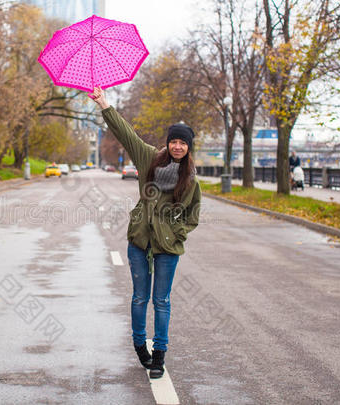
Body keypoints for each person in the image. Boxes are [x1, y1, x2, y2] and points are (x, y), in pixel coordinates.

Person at [90, 86, 201, 379]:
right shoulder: (149, 158)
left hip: (167, 248)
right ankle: (140, 345)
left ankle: (159, 355)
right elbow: (126, 133)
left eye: (183, 143)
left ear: (189, 147)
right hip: (139, 241)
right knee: (140, 297)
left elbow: (193, 216)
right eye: (174, 141)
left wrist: (177, 233)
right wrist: (104, 105)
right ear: (168, 143)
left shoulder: (189, 179)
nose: (177, 146)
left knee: (161, 300)